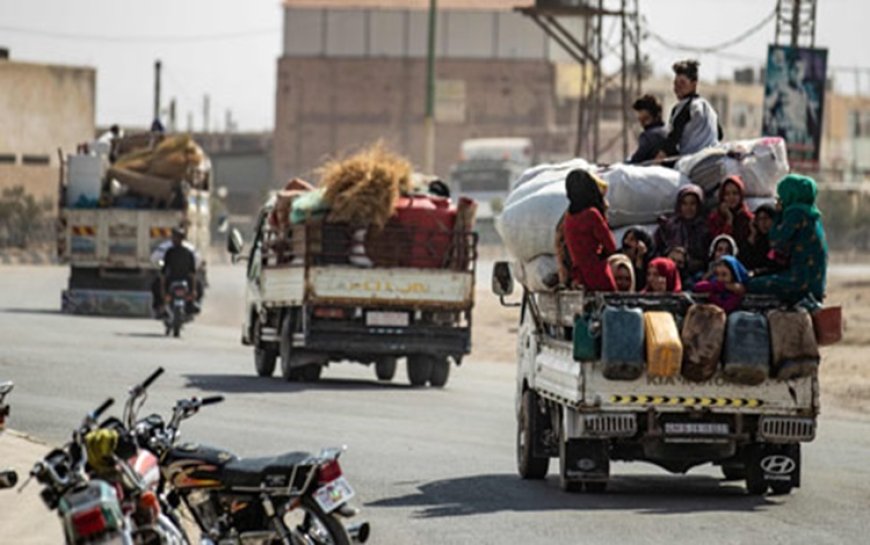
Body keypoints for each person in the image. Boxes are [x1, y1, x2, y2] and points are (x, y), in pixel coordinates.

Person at [748, 174, 828, 303]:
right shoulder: (812, 214)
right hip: (816, 283)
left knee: (752, 284)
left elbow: (776, 241)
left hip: (800, 282)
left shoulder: (795, 213)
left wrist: (778, 215)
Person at [561, 169, 617, 291]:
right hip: (597, 274)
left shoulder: (568, 218)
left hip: (579, 277)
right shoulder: (591, 215)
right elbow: (611, 246)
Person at [657, 60, 721, 161]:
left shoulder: (685, 107)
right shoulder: (709, 108)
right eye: (675, 83)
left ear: (694, 84)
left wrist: (657, 160)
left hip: (691, 162)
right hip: (713, 159)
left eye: (682, 83)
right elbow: (720, 134)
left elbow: (673, 138)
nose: (677, 87)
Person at [653, 184, 709, 276]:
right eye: (684, 203)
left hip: (694, 274)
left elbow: (706, 258)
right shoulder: (669, 226)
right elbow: (658, 250)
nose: (688, 208)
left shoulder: (704, 229)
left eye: (692, 204)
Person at [707, 175, 754, 255]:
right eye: (727, 194)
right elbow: (717, 244)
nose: (731, 197)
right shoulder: (715, 218)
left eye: (735, 193)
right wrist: (729, 220)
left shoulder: (747, 218)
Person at [159, 227, 199, 316]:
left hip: (181, 279)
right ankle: (163, 306)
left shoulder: (187, 253)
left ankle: (192, 304)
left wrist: (194, 290)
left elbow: (192, 272)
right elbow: (164, 270)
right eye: (174, 237)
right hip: (173, 279)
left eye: (177, 237)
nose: (175, 239)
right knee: (157, 285)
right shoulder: (170, 252)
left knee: (199, 285)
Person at [628, 94, 668, 164]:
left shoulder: (648, 136)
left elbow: (637, 160)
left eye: (640, 112)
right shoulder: (668, 131)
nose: (638, 117)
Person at [742, 203, 778, 274]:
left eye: (766, 218)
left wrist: (756, 272)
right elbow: (745, 260)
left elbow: (775, 266)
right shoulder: (758, 240)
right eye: (759, 219)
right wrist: (752, 235)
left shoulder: (778, 240)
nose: (763, 223)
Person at [620, 227, 654, 292]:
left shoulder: (650, 263)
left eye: (632, 239)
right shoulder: (617, 257)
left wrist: (639, 258)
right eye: (626, 238)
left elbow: (639, 286)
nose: (626, 242)